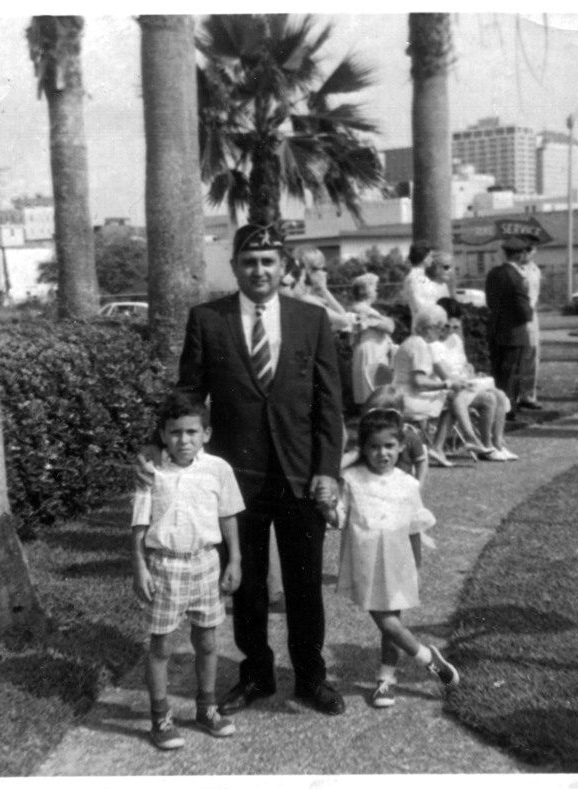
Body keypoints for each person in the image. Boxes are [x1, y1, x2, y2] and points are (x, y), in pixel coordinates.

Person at [173, 221, 346, 716]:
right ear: (234, 268)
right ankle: (256, 675)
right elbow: (189, 392)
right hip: (236, 478)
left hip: (300, 476)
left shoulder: (311, 320)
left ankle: (311, 677)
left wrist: (328, 470)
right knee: (245, 582)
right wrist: (158, 445)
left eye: (268, 261)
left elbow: (330, 404)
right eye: (249, 261)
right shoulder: (208, 318)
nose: (259, 270)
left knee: (304, 583)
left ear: (283, 266)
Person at [131, 391, 244, 750]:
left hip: (205, 563)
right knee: (161, 644)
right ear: (163, 435)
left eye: (192, 432)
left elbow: (228, 516)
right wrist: (139, 567)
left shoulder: (218, 469)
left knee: (208, 640)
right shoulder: (152, 472)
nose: (184, 440)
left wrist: (235, 560)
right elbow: (138, 525)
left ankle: (206, 708)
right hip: (166, 566)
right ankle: (160, 717)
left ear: (205, 435)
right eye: (176, 432)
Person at [326, 408, 459, 709]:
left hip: (398, 559)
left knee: (391, 621)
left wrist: (416, 566)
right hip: (365, 559)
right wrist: (328, 508)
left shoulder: (408, 484)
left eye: (389, 446)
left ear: (401, 446)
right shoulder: (352, 479)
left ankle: (386, 679)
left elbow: (414, 527)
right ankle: (427, 657)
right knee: (385, 620)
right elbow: (339, 518)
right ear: (363, 449)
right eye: (374, 446)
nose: (382, 453)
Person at [392, 304, 491, 467]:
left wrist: (450, 384)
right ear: (429, 328)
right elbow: (419, 382)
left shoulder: (413, 341)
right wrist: (447, 384)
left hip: (401, 396)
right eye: (440, 328)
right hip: (408, 400)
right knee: (454, 397)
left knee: (453, 397)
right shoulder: (420, 345)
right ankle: (465, 440)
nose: (441, 333)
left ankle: (450, 444)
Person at [433, 297, 518, 461]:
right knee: (489, 398)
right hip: (446, 389)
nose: (450, 331)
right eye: (446, 326)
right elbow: (444, 375)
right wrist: (464, 378)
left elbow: (462, 365)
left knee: (499, 394)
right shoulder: (433, 344)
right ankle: (486, 445)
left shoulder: (455, 340)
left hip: (463, 385)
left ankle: (497, 444)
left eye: (455, 327)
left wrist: (471, 373)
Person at [361, 384, 429, 566]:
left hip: (402, 490)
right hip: (378, 489)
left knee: (408, 528)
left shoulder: (409, 436)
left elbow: (421, 460)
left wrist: (419, 484)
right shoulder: (371, 437)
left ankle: (413, 566)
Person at [485, 235, 534, 418]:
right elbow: (524, 309)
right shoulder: (517, 277)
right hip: (515, 331)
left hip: (496, 329)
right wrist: (529, 313)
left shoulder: (493, 273)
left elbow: (490, 302)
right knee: (512, 372)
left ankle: (498, 406)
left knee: (498, 371)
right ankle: (508, 409)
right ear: (520, 255)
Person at [350, 272, 396, 406]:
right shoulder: (361, 308)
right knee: (374, 393)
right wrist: (385, 321)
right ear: (365, 290)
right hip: (371, 351)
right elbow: (389, 327)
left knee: (377, 392)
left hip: (375, 350)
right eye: (374, 287)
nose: (377, 290)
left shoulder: (367, 309)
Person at [291, 244, 354, 333]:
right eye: (323, 268)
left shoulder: (296, 295)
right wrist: (324, 289)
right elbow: (343, 320)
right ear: (310, 270)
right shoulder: (305, 299)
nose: (325, 273)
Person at [516, 237, 543, 411]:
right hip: (517, 316)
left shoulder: (535, 269)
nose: (526, 253)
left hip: (531, 316)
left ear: (534, 251)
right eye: (523, 249)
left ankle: (528, 395)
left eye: (529, 249)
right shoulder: (514, 269)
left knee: (532, 356)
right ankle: (515, 395)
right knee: (517, 356)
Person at [401, 240, 434, 320]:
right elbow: (419, 305)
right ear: (424, 257)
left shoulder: (422, 277)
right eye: (430, 256)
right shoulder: (414, 278)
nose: (432, 259)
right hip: (423, 324)